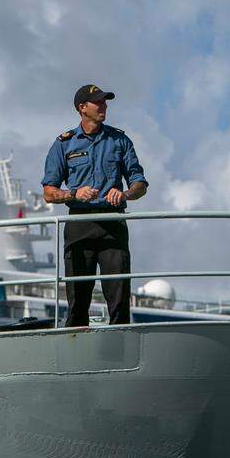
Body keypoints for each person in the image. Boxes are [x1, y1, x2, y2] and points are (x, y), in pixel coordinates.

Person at [42, 84, 148, 327]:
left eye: (105, 101)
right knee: (78, 299)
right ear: (82, 108)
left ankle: (121, 349)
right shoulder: (63, 144)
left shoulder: (120, 140)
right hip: (80, 223)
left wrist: (125, 195)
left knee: (119, 297)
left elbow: (140, 183)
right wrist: (75, 194)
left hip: (113, 223)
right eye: (98, 102)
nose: (104, 106)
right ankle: (76, 351)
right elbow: (49, 193)